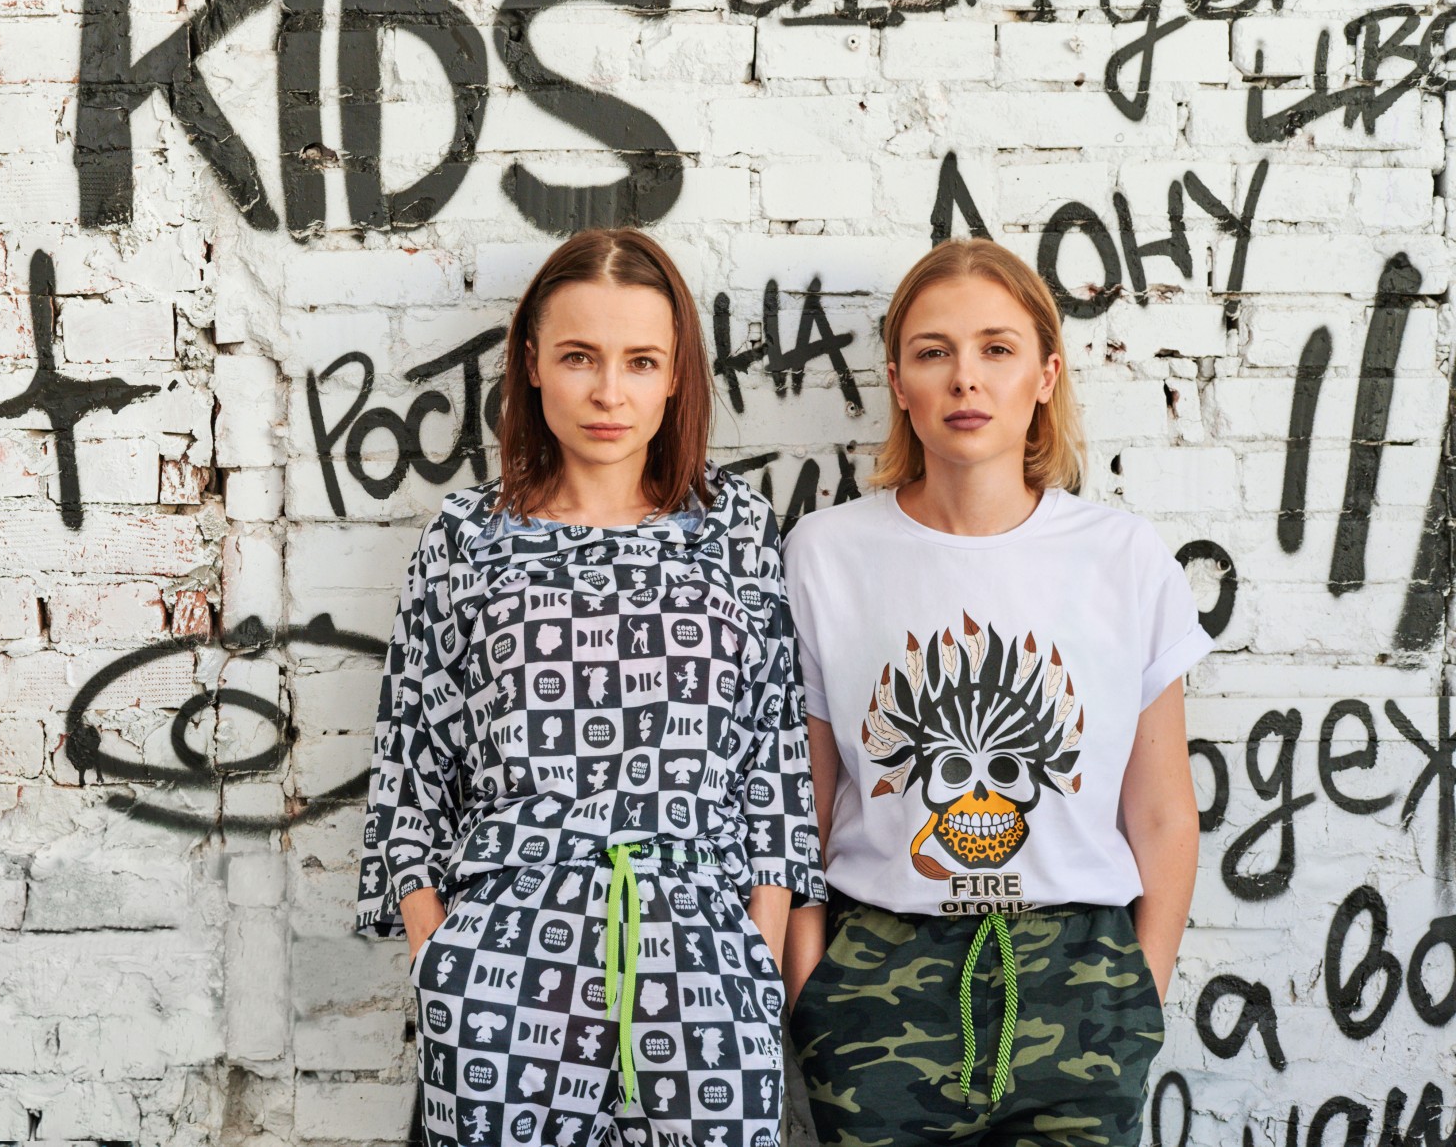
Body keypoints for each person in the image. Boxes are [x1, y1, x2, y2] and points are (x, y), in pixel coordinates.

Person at [355, 228, 826, 1147]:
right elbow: (411, 770)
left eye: (641, 361)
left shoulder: (733, 531)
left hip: (704, 960)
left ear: (676, 375)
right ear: (532, 364)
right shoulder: (467, 537)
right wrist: (439, 958)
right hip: (505, 963)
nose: (610, 392)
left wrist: (756, 955)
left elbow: (774, 766)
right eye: (579, 357)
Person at [780, 239, 1208, 1147]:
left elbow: (1163, 811)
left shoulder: (1124, 558)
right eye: (933, 352)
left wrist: (1142, 989)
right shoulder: (824, 555)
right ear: (898, 383)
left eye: (997, 349)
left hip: (1081, 980)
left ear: (1046, 375)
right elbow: (804, 801)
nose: (965, 378)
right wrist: (809, 985)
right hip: (877, 977)